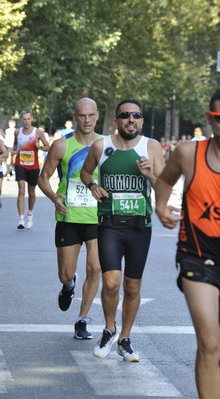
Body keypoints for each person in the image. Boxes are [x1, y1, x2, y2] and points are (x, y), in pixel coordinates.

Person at [80, 99, 165, 362]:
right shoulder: (101, 146)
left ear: (142, 121)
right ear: (116, 121)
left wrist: (150, 175)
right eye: (125, 115)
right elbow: (85, 173)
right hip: (110, 224)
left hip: (140, 227)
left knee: (132, 286)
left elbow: (163, 188)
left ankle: (125, 339)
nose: (131, 119)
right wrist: (93, 185)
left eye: (136, 115)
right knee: (112, 282)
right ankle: (109, 329)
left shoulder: (151, 147)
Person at [154, 89, 220, 399]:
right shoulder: (188, 153)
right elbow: (165, 180)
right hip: (198, 257)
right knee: (209, 342)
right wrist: (161, 206)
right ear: (209, 119)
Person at [38, 98, 102, 340]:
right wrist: (54, 197)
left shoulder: (106, 145)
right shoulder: (61, 145)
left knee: (95, 269)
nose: (86, 120)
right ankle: (69, 286)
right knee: (66, 273)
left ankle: (82, 319)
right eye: (82, 115)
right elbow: (43, 178)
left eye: (91, 115)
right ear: (75, 116)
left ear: (97, 116)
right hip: (69, 216)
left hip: (97, 216)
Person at [12, 110, 50, 229]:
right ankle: (21, 220)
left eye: (28, 119)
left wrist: (40, 147)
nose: (26, 121)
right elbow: (15, 146)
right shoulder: (17, 132)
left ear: (32, 119)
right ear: (21, 120)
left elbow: (48, 147)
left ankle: (30, 213)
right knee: (21, 191)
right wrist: (13, 151)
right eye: (24, 119)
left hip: (33, 166)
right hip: (20, 164)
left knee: (31, 192)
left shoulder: (38, 132)